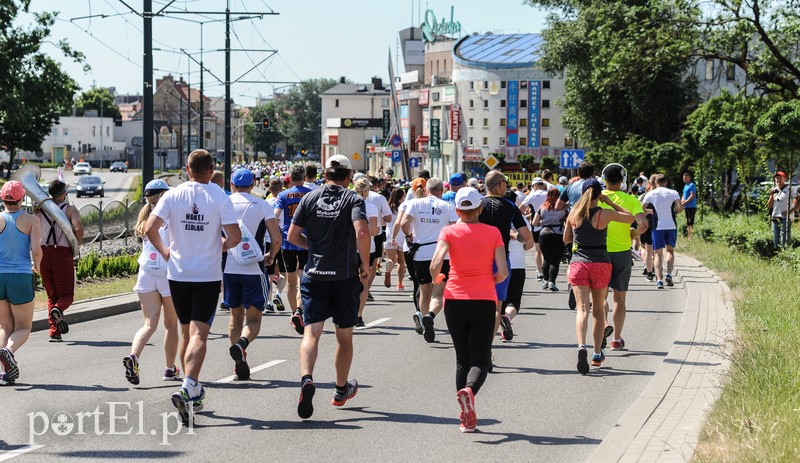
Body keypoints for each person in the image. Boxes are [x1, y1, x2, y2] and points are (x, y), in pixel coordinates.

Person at [145, 149, 241, 426]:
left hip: (177, 273)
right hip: (206, 275)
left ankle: (195, 388)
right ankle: (188, 385)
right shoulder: (219, 196)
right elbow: (234, 236)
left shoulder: (173, 195)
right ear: (212, 169)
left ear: (187, 170)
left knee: (185, 331)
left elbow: (150, 228)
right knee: (200, 333)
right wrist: (220, 245)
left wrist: (166, 252)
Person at [287, 154, 371, 420]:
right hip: (344, 277)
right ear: (348, 177)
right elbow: (362, 232)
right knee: (344, 338)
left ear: (325, 176)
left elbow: (292, 236)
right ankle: (340, 390)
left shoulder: (309, 199)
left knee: (311, 334)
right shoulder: (354, 199)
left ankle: (306, 379)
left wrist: (314, 249)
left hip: (314, 275)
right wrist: (366, 264)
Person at [430, 187, 508, 433]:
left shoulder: (449, 231)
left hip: (454, 299)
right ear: (480, 209)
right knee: (481, 359)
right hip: (484, 298)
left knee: (462, 359)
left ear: (457, 210)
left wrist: (439, 277)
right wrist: (488, 281)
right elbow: (503, 272)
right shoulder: (493, 232)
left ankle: (465, 418)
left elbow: (435, 262)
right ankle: (470, 392)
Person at [564, 178, 633, 374]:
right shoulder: (605, 213)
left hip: (579, 263)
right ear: (598, 194)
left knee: (582, 310)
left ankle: (581, 347)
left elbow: (566, 239)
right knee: (598, 311)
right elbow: (629, 218)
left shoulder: (574, 214)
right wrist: (610, 202)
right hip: (601, 263)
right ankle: (596, 353)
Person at [224, 169, 281, 380]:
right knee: (254, 319)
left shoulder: (224, 203)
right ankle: (242, 344)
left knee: (234, 316)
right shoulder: (262, 204)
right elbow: (276, 238)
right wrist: (271, 256)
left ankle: (239, 362)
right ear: (253, 184)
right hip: (254, 268)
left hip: (229, 268)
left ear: (231, 185)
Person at [124, 179, 180, 385]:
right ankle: (169, 369)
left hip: (146, 272)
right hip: (167, 272)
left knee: (149, 323)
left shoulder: (145, 216)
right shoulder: (170, 215)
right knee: (171, 324)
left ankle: (133, 356)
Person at [400, 177, 458, 343]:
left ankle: (425, 319)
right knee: (438, 292)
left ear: (426, 190)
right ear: (441, 191)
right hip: (441, 254)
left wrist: (410, 236)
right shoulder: (448, 206)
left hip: (421, 253)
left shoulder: (416, 203)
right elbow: (455, 229)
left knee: (424, 290)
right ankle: (430, 317)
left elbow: (404, 223)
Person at [599, 164, 648, 351]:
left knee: (600, 295)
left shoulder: (598, 198)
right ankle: (616, 339)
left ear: (604, 179)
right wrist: (634, 233)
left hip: (600, 251)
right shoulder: (631, 199)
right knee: (619, 298)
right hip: (622, 252)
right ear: (623, 180)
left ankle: (603, 325)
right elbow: (643, 223)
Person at [479, 171, 533, 343]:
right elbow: (525, 235)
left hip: (477, 258)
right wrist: (514, 235)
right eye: (506, 183)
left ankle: (475, 342)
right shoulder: (510, 206)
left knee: (478, 303)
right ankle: (487, 347)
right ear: (500, 185)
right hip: (500, 259)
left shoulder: (477, 204)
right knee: (497, 306)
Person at [0, 181, 42, 385]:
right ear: (21, 198)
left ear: (3, 198)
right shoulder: (31, 220)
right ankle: (8, 352)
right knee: (24, 326)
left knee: (5, 325)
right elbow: (36, 250)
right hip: (20, 275)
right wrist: (38, 267)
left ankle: (5, 372)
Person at [36, 179, 84, 342]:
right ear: (64, 194)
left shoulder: (39, 209)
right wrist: (76, 245)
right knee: (66, 295)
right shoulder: (69, 209)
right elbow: (79, 229)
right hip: (62, 253)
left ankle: (54, 332)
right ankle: (58, 309)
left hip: (43, 253)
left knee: (52, 295)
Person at [275, 164, 313, 334]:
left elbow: (275, 215)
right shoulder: (310, 194)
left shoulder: (283, 195)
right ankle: (300, 310)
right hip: (305, 240)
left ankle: (293, 313)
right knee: (304, 279)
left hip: (287, 241)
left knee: (291, 281)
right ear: (304, 177)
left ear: (290, 178)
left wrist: (276, 233)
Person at [643, 174, 683, 289]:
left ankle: (659, 281)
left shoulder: (651, 193)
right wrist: (675, 213)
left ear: (656, 183)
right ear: (666, 182)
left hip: (657, 227)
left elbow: (641, 208)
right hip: (671, 226)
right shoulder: (673, 192)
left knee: (658, 254)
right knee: (670, 251)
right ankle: (669, 274)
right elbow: (680, 208)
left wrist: (650, 211)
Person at [354, 178, 380, 326]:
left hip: (349, 247)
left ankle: (347, 311)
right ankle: (359, 314)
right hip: (367, 248)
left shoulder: (348, 204)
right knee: (363, 282)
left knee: (348, 280)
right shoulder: (370, 207)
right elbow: (374, 231)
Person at [532, 188, 566, 291]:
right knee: (555, 260)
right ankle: (552, 281)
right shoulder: (562, 207)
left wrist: (543, 223)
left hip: (544, 234)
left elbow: (534, 222)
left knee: (546, 258)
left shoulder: (542, 207)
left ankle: (545, 280)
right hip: (558, 234)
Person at [520, 177, 549, 281]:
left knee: (538, 250)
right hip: (549, 224)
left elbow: (521, 209)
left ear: (534, 185)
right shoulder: (548, 194)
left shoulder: (532, 195)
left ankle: (540, 272)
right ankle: (547, 272)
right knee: (547, 251)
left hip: (536, 225)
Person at [384, 188, 406, 289]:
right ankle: (400, 284)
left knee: (390, 259)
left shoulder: (387, 207)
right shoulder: (403, 208)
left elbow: (384, 221)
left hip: (389, 235)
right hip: (402, 236)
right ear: (401, 196)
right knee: (401, 261)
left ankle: (388, 271)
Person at [768, 171, 790, 248]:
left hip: (785, 217)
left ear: (785, 179)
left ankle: (785, 254)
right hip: (775, 216)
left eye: (780, 178)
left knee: (784, 238)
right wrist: (771, 195)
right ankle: (777, 254)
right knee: (776, 238)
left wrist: (791, 211)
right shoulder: (774, 190)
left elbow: (798, 200)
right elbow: (769, 206)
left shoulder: (789, 189)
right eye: (776, 178)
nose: (778, 180)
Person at [681, 172, 697, 237]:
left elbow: (692, 195)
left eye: (686, 177)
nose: (684, 179)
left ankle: (691, 234)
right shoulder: (685, 186)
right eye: (683, 178)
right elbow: (683, 194)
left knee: (691, 220)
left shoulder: (691, 185)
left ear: (689, 178)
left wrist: (685, 202)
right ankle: (688, 234)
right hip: (686, 206)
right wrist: (682, 201)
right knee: (687, 220)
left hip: (691, 206)